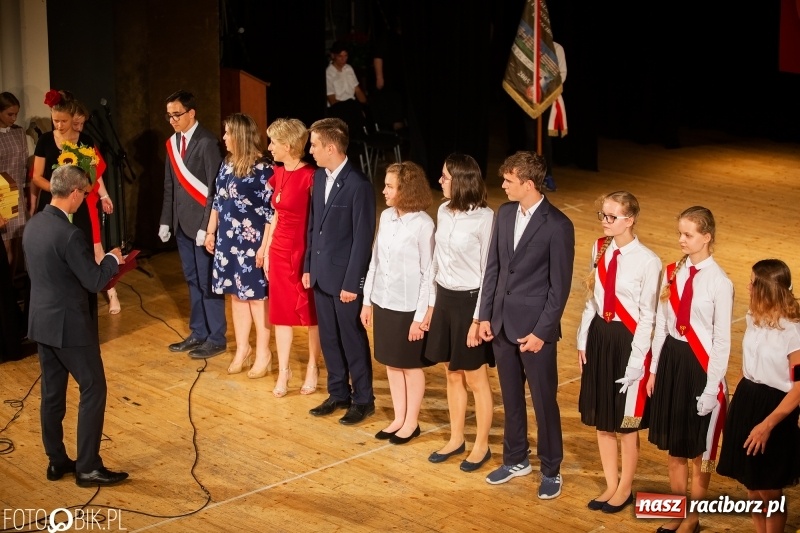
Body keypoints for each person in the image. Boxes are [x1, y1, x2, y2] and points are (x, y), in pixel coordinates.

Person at [22, 164, 128, 487]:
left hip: (42, 322)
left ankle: (56, 461)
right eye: (83, 194)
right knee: (94, 387)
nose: (84, 200)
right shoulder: (69, 234)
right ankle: (88, 467)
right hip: (70, 326)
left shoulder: (34, 225)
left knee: (52, 394)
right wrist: (112, 258)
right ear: (73, 194)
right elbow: (95, 280)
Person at [478, 151, 574, 499]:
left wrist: (542, 333)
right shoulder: (504, 214)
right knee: (512, 398)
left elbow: (559, 288)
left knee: (544, 402)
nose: (502, 185)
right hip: (502, 324)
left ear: (528, 185)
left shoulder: (558, 225)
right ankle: (516, 458)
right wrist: (485, 315)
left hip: (536, 331)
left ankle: (551, 468)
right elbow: (494, 268)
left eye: (508, 180)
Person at [646, 206, 733, 533]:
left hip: (700, 368)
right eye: (680, 233)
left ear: (706, 237)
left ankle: (693, 519)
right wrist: (654, 370)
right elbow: (663, 327)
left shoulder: (720, 283)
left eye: (688, 234)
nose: (681, 240)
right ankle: (677, 511)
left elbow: (722, 340)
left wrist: (712, 389)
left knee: (699, 449)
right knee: (676, 447)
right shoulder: (673, 272)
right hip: (672, 363)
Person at [576, 191, 661, 513]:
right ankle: (610, 483)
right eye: (602, 215)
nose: (605, 222)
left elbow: (648, 316)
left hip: (628, 343)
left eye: (611, 217)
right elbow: (591, 298)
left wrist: (637, 361)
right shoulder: (599, 248)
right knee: (603, 418)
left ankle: (625, 487)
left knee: (626, 422)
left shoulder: (648, 261)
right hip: (600, 337)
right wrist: (583, 340)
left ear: (630, 219)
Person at [422, 153, 495, 472]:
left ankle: (482, 445)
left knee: (476, 379)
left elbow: (487, 273)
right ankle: (455, 438)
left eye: (445, 177)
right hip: (446, 300)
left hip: (470, 302)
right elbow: (436, 259)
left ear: (462, 181)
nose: (440, 181)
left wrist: (478, 318)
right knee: (452, 373)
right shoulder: (442, 210)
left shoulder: (486, 218)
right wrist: (429, 305)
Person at [717, 259, 800, 533]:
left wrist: (767, 425)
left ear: (766, 288)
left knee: (770, 490)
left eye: (753, 282)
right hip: (747, 399)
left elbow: (799, 386)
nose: (748, 286)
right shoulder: (753, 317)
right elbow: (748, 366)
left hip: (776, 409)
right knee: (751, 485)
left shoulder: (794, 331)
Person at [303, 117, 376, 425]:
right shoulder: (319, 178)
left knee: (351, 338)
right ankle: (338, 392)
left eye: (315, 145)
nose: (311, 150)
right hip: (320, 274)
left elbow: (362, 239)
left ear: (330, 147)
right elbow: (312, 226)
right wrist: (308, 266)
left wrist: (353, 283)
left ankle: (363, 399)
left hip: (344, 281)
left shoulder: (359, 186)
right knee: (329, 337)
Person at [361, 161, 434, 444]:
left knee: (409, 365)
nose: (384, 190)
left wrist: (420, 317)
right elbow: (375, 262)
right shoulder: (387, 217)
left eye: (390, 186)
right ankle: (399, 417)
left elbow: (429, 274)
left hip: (408, 307)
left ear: (406, 189)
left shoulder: (424, 225)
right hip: (384, 301)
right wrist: (367, 301)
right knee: (391, 363)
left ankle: (411, 422)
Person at [204, 113, 274, 378]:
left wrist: (264, 247)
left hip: (253, 242)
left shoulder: (264, 169)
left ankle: (264, 353)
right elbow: (218, 201)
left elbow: (271, 212)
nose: (223, 138)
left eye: (227, 133)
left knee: (256, 298)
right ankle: (243, 348)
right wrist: (211, 231)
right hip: (228, 241)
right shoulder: (227, 163)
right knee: (235, 294)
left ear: (240, 136)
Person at [159, 90, 226, 359]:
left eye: (177, 114)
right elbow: (169, 186)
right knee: (191, 279)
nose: (173, 120)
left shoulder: (208, 142)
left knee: (208, 281)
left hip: (202, 227)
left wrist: (205, 227)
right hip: (180, 226)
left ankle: (216, 337)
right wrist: (165, 220)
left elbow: (214, 188)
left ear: (191, 113)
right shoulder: (172, 144)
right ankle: (198, 332)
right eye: (169, 116)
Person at [264, 118, 320, 396]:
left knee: (310, 314)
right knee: (281, 314)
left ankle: (313, 366)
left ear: (287, 146)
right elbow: (275, 214)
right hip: (279, 250)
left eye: (273, 142)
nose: (269, 147)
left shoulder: (311, 175)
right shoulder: (277, 172)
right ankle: (284, 371)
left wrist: (311, 258)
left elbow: (317, 221)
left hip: (302, 252)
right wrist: (266, 247)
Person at [72, 101, 120, 315]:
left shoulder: (86, 142)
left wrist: (105, 195)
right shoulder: (57, 142)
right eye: (76, 123)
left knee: (97, 249)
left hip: (88, 200)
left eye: (82, 124)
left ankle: (112, 294)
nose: (79, 128)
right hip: (69, 202)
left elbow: (96, 174)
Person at [0, 91, 29, 269]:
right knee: (5, 245)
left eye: (16, 114)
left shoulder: (19, 132)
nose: (13, 118)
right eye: (9, 114)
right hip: (2, 196)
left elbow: (24, 162)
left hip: (18, 193)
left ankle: (13, 287)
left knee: (19, 242)